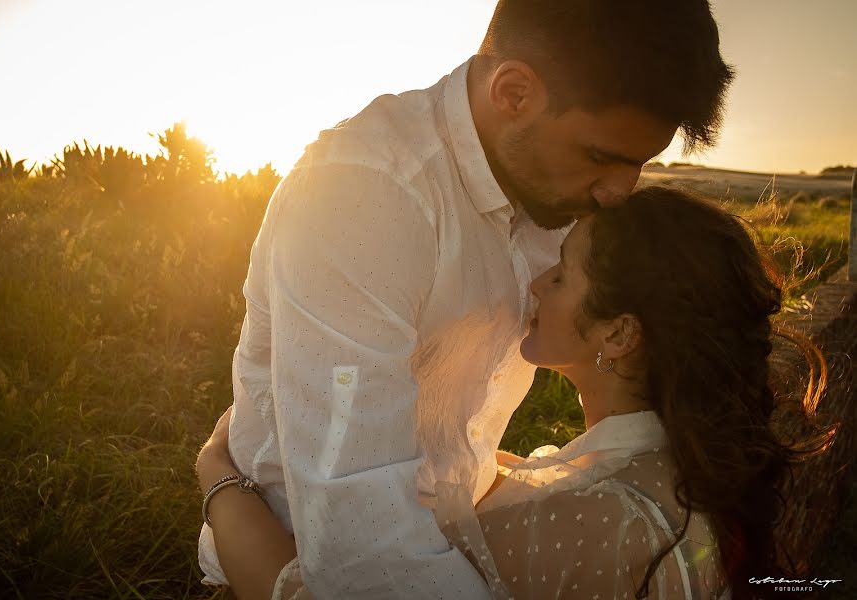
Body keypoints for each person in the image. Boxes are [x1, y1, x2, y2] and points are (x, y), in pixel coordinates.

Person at [198, 0, 735, 596]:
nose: (617, 194)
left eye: (639, 164)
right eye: (602, 157)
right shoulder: (364, 195)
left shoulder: (559, 192)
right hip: (299, 560)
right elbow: (359, 539)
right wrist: (222, 489)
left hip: (464, 544)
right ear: (513, 92)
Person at [197, 187, 836, 599]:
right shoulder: (669, 474)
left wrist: (218, 477)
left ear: (619, 332)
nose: (536, 284)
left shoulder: (595, 524)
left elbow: (302, 593)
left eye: (562, 274)